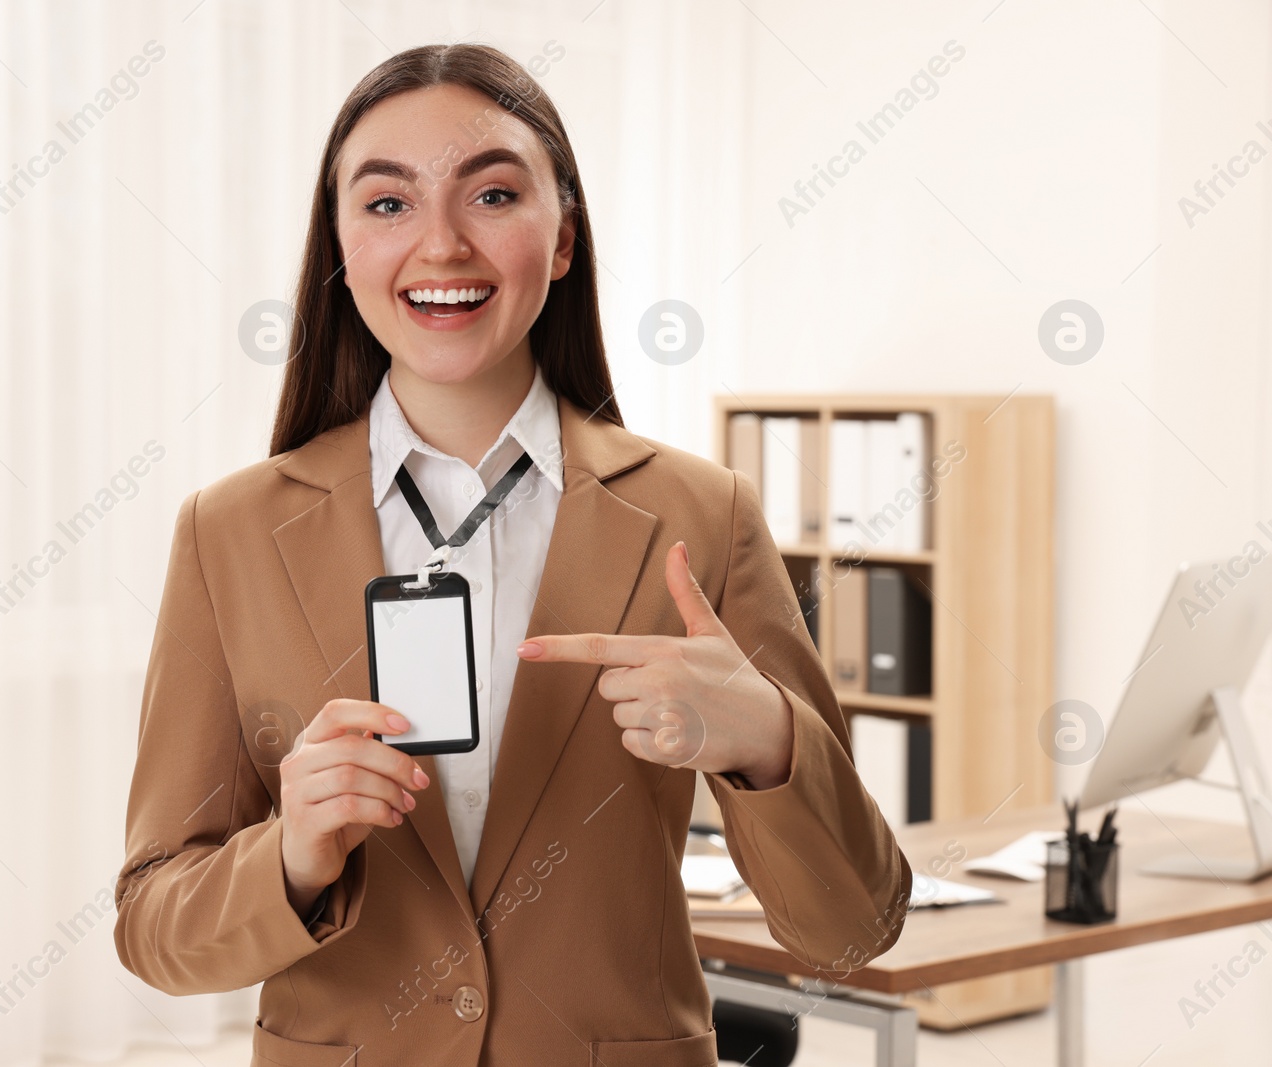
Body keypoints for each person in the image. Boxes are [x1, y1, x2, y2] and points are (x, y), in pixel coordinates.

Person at [114, 42, 911, 1066]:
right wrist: (292, 853)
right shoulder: (227, 532)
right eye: (388, 203)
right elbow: (151, 925)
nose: (440, 245)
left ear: (564, 235)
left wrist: (766, 738)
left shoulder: (700, 515)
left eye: (490, 194)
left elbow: (854, 926)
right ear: (340, 247)